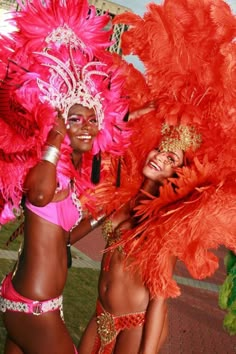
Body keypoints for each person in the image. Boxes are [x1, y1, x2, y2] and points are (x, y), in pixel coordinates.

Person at [77, 0, 236, 352]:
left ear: (175, 176)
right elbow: (113, 130)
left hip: (134, 324)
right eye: (161, 148)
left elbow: (159, 301)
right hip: (99, 314)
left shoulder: (163, 225)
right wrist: (149, 108)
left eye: (171, 159)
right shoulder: (123, 196)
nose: (160, 155)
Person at [0, 1, 129, 353]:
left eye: (91, 119)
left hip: (39, 302)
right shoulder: (48, 166)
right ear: (59, 120)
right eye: (75, 119)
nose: (85, 127)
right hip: (34, 308)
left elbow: (66, 237)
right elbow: (39, 196)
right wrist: (55, 135)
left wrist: (101, 212)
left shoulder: (68, 178)